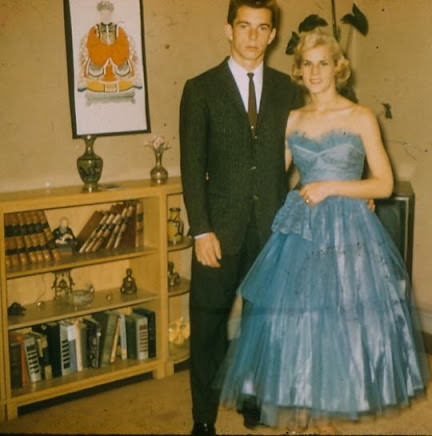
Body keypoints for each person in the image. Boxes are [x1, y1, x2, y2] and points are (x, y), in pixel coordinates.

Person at [217, 28, 428, 433]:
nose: (315, 72)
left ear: (338, 68)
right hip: (301, 227)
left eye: (323, 63)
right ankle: (301, 415)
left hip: (347, 229)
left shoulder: (360, 116)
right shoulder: (292, 119)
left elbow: (383, 183)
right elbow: (271, 177)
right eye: (307, 63)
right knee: (295, 322)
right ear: (298, 70)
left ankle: (323, 418)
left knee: (338, 322)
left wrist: (334, 187)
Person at [178, 1, 301, 435]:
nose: (252, 36)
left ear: (272, 35)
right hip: (218, 231)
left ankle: (253, 400)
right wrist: (201, 230)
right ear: (228, 30)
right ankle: (204, 419)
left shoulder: (290, 90)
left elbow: (313, 145)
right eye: (244, 26)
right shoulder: (201, 89)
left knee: (261, 325)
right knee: (208, 325)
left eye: (261, 28)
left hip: (271, 229)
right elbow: (191, 167)